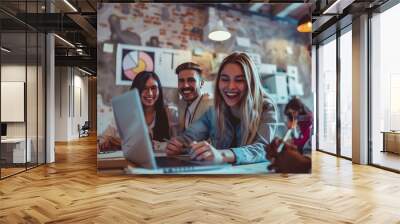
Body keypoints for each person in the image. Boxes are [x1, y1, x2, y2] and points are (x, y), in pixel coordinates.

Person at [166, 52, 277, 165]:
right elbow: (190, 137)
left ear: (251, 83)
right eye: (225, 79)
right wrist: (178, 145)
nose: (230, 87)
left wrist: (222, 155)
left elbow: (263, 149)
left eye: (239, 80)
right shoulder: (214, 110)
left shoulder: (265, 107)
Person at [98, 71, 176, 151]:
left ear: (159, 89)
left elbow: (177, 144)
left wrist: (154, 145)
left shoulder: (169, 113)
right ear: (136, 91)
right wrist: (106, 143)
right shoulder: (124, 114)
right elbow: (102, 139)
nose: (150, 93)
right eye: (144, 88)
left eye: (153, 88)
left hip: (160, 161)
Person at [175, 62, 213, 133]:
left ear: (201, 83)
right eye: (181, 81)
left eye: (191, 80)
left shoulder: (211, 107)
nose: (185, 85)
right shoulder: (181, 105)